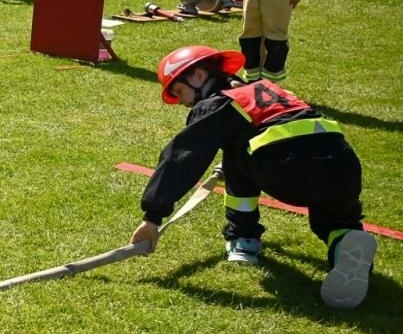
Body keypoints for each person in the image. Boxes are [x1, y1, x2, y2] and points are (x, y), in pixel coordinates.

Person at [130, 45, 375, 309]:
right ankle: (344, 242)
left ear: (199, 76)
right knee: (335, 218)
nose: (181, 101)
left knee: (233, 154)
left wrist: (152, 217)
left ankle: (243, 240)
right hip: (344, 165)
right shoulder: (271, 90)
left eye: (179, 91)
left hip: (289, 170)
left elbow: (181, 158)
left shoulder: (219, 103)